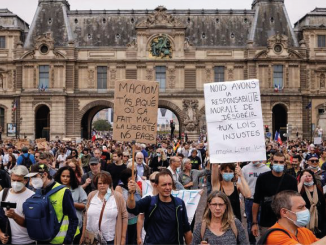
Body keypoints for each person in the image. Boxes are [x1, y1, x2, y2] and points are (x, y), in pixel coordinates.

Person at [127, 170, 192, 245]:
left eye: (170, 184)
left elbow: (187, 230)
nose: (167, 187)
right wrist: (131, 193)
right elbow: (132, 208)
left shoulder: (179, 204)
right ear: (156, 185)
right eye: (164, 185)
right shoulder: (149, 201)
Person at [25, 163, 79, 245]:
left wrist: (67, 240)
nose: (32, 180)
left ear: (45, 174)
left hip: (60, 241)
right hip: (43, 239)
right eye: (31, 177)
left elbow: (73, 219)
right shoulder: (39, 191)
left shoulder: (63, 192)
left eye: (35, 177)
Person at [251, 152, 298, 238]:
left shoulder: (291, 180)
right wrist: (254, 223)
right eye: (276, 162)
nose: (278, 164)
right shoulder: (262, 178)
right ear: (271, 162)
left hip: (286, 222)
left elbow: (295, 203)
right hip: (266, 221)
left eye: (281, 162)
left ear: (284, 163)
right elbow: (256, 202)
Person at [81, 172, 127, 245]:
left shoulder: (118, 197)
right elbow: (86, 216)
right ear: (96, 184)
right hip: (91, 239)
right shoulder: (91, 195)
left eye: (105, 183)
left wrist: (123, 238)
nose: (102, 185)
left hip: (110, 240)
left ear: (109, 184)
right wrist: (83, 235)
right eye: (100, 183)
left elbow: (124, 217)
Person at [0, 165, 35, 245]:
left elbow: (32, 224)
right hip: (8, 241)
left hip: (27, 241)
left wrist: (15, 216)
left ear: (26, 180)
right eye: (13, 180)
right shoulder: (3, 194)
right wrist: (0, 234)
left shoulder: (32, 197)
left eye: (19, 181)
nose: (15, 183)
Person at [54, 166, 87, 245]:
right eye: (63, 176)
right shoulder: (54, 189)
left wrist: (71, 203)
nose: (65, 178)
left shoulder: (78, 189)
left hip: (76, 227)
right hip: (58, 228)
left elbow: (85, 205)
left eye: (68, 176)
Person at [242, 161, 270, 245]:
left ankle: (263, 241)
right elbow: (241, 184)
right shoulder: (245, 169)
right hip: (250, 200)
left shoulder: (267, 169)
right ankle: (252, 242)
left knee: (264, 223)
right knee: (250, 223)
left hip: (263, 201)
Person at [116, 169, 142, 245]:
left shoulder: (135, 185)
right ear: (127, 178)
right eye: (132, 176)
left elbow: (140, 196)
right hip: (126, 220)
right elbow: (120, 204)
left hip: (136, 218)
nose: (134, 178)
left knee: (134, 240)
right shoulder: (119, 188)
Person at [298, 169, 326, 238]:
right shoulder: (301, 189)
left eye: (309, 176)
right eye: (305, 176)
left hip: (321, 219)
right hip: (306, 219)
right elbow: (295, 194)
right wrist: (301, 182)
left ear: (313, 177)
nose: (307, 178)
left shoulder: (319, 187)